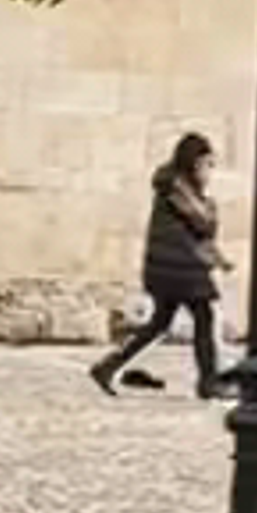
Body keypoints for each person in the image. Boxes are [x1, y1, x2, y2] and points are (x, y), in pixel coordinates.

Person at [91, 136, 225, 398]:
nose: (209, 171)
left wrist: (216, 256)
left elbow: (197, 232)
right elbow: (203, 223)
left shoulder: (175, 186)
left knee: (160, 322)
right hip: (178, 267)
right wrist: (210, 207)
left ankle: (108, 366)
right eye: (207, 164)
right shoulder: (179, 189)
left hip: (168, 266)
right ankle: (208, 382)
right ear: (195, 163)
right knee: (203, 317)